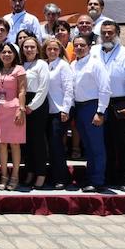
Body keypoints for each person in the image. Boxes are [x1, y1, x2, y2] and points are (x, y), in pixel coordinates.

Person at [92, 20, 125, 191]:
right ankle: (108, 176)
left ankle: (123, 179)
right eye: (104, 32)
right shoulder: (93, 52)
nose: (107, 35)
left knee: (122, 143)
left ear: (117, 34)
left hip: (120, 102)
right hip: (98, 102)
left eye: (110, 32)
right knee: (104, 141)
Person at [71, 34, 110, 192]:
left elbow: (105, 89)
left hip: (93, 107)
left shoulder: (96, 64)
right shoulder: (73, 64)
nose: (79, 48)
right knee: (87, 145)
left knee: (96, 146)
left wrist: (100, 112)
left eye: (82, 45)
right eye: (76, 45)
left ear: (89, 47)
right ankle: (90, 177)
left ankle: (98, 180)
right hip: (79, 108)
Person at [0, 43, 27, 191]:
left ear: (14, 54)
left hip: (14, 109)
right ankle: (4, 175)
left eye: (9, 52)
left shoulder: (19, 69)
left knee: (14, 144)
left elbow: (22, 90)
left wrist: (21, 109)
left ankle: (15, 176)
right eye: (4, 52)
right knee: (1, 144)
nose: (6, 55)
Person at [44, 38, 74, 189]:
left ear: (60, 51)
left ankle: (62, 178)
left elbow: (69, 89)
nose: (52, 52)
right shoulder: (45, 65)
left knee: (56, 145)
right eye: (49, 49)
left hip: (60, 110)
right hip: (48, 111)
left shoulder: (63, 66)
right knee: (51, 145)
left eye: (55, 49)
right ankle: (55, 175)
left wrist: (65, 109)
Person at [21, 37, 50, 189]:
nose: (29, 49)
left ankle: (41, 173)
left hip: (37, 104)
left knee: (38, 141)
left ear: (37, 49)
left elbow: (43, 88)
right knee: (26, 141)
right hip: (22, 102)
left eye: (32, 47)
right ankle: (30, 171)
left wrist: (32, 106)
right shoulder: (20, 64)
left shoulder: (42, 64)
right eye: (26, 47)